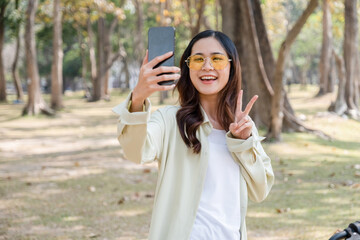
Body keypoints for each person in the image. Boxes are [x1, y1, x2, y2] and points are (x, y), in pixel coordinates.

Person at [112, 30, 274, 240]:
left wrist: (243, 143)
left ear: (231, 67)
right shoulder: (169, 119)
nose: (207, 66)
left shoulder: (242, 125)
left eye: (217, 58)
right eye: (198, 59)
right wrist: (137, 99)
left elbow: (260, 191)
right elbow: (135, 152)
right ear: (187, 68)